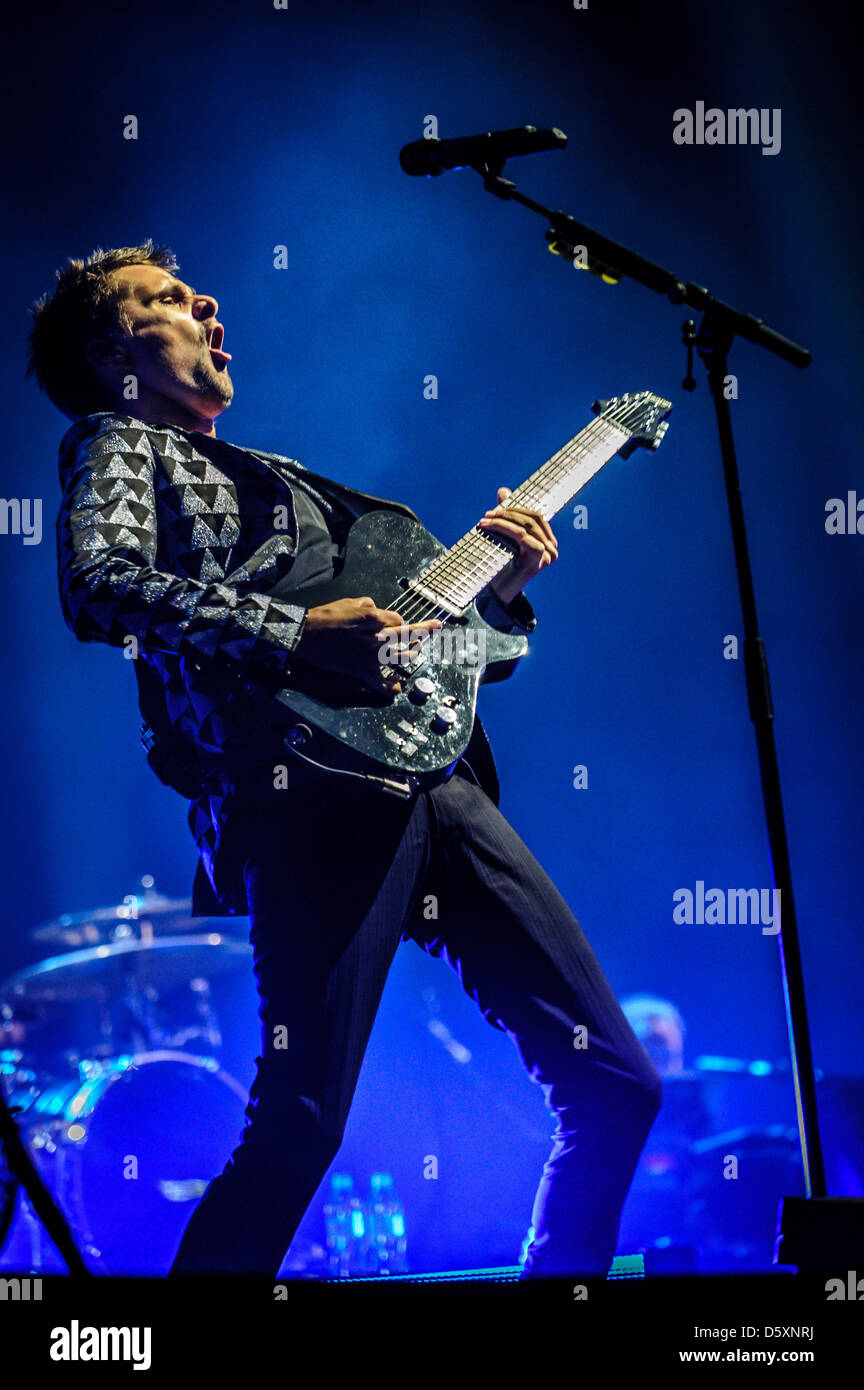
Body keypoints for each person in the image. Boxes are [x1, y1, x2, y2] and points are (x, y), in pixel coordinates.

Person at [27, 240, 662, 1276]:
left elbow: (448, 655)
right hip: (304, 795)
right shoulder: (117, 442)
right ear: (114, 354)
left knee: (618, 1084)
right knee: (301, 1123)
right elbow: (96, 583)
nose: (208, 303)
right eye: (169, 300)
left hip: (436, 782)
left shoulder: (290, 482)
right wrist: (294, 634)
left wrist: (501, 596)